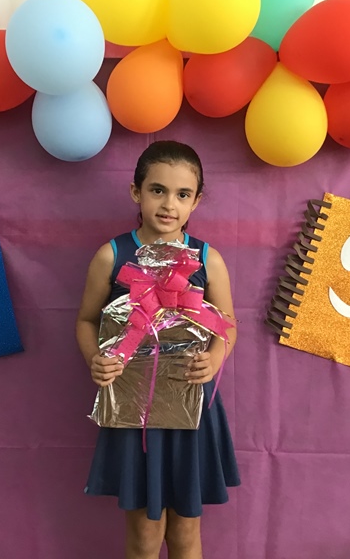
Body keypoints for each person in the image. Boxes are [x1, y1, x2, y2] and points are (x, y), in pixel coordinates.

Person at [76, 140, 240, 559]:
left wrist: (215, 358)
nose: (169, 204)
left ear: (196, 201)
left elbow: (227, 325)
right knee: (145, 536)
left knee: (185, 533)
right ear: (137, 192)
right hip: (134, 413)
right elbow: (86, 320)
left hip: (192, 406)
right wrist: (95, 359)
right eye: (157, 190)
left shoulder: (207, 260)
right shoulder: (112, 256)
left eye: (183, 194)